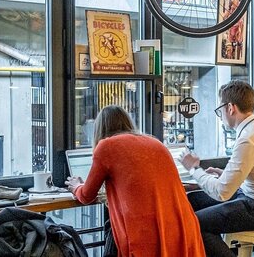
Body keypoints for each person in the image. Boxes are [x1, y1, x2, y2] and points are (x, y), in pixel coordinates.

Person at [66, 106, 205, 257]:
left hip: (148, 233)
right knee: (111, 229)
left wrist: (76, 186)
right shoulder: (155, 143)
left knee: (111, 230)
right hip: (181, 226)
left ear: (99, 129)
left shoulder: (106, 146)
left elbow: (86, 196)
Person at [180, 80, 254, 257]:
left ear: (230, 108)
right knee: (192, 201)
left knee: (194, 223)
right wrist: (224, 174)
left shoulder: (248, 138)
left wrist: (193, 169)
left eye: (219, 110)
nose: (220, 115)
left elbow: (222, 192)